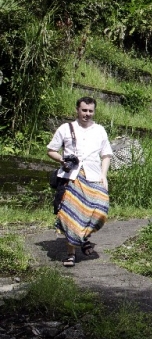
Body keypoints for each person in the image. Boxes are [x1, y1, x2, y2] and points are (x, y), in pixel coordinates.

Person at [47, 97, 113, 267]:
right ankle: (71, 254)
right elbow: (51, 150)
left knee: (100, 211)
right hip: (72, 177)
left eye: (90, 111)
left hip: (93, 176)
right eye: (84, 110)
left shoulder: (100, 130)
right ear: (77, 110)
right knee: (71, 215)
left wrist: (104, 176)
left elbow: (106, 155)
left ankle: (82, 237)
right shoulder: (66, 128)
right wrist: (62, 160)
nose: (87, 114)